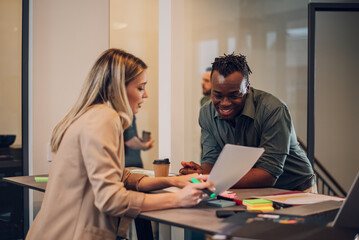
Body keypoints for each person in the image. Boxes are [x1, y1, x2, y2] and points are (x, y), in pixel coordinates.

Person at [26, 49, 213, 240]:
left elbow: (118, 176)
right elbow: (111, 199)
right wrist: (177, 199)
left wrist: (173, 181)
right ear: (118, 89)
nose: (145, 95)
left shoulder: (89, 115)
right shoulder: (105, 119)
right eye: (140, 88)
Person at [180, 53, 316, 193]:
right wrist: (199, 174)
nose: (225, 103)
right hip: (251, 189)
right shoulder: (206, 113)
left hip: (296, 189)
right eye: (218, 95)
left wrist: (209, 179)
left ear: (247, 88)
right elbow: (211, 162)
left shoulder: (273, 110)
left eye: (234, 95)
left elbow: (268, 175)